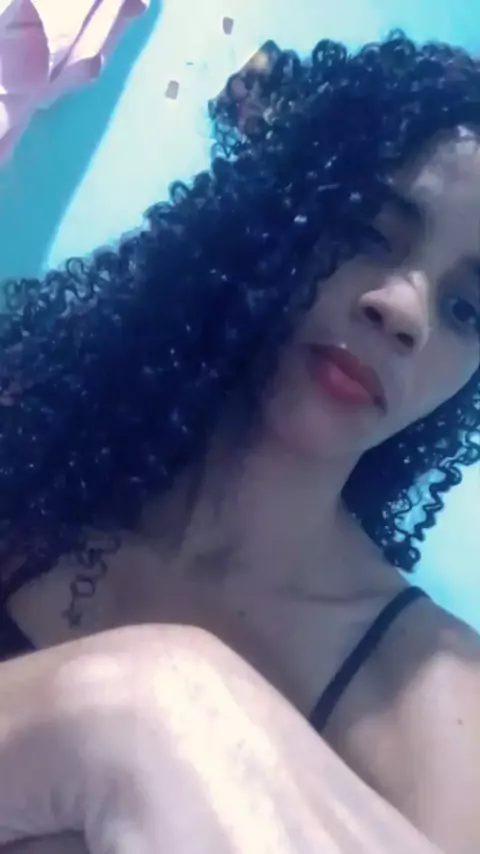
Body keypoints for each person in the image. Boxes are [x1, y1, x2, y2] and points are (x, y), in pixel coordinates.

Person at [0, 29, 479, 853]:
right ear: (280, 213)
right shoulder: (30, 437)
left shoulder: (435, 706)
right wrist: (124, 708)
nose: (403, 311)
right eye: (371, 229)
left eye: (467, 310)